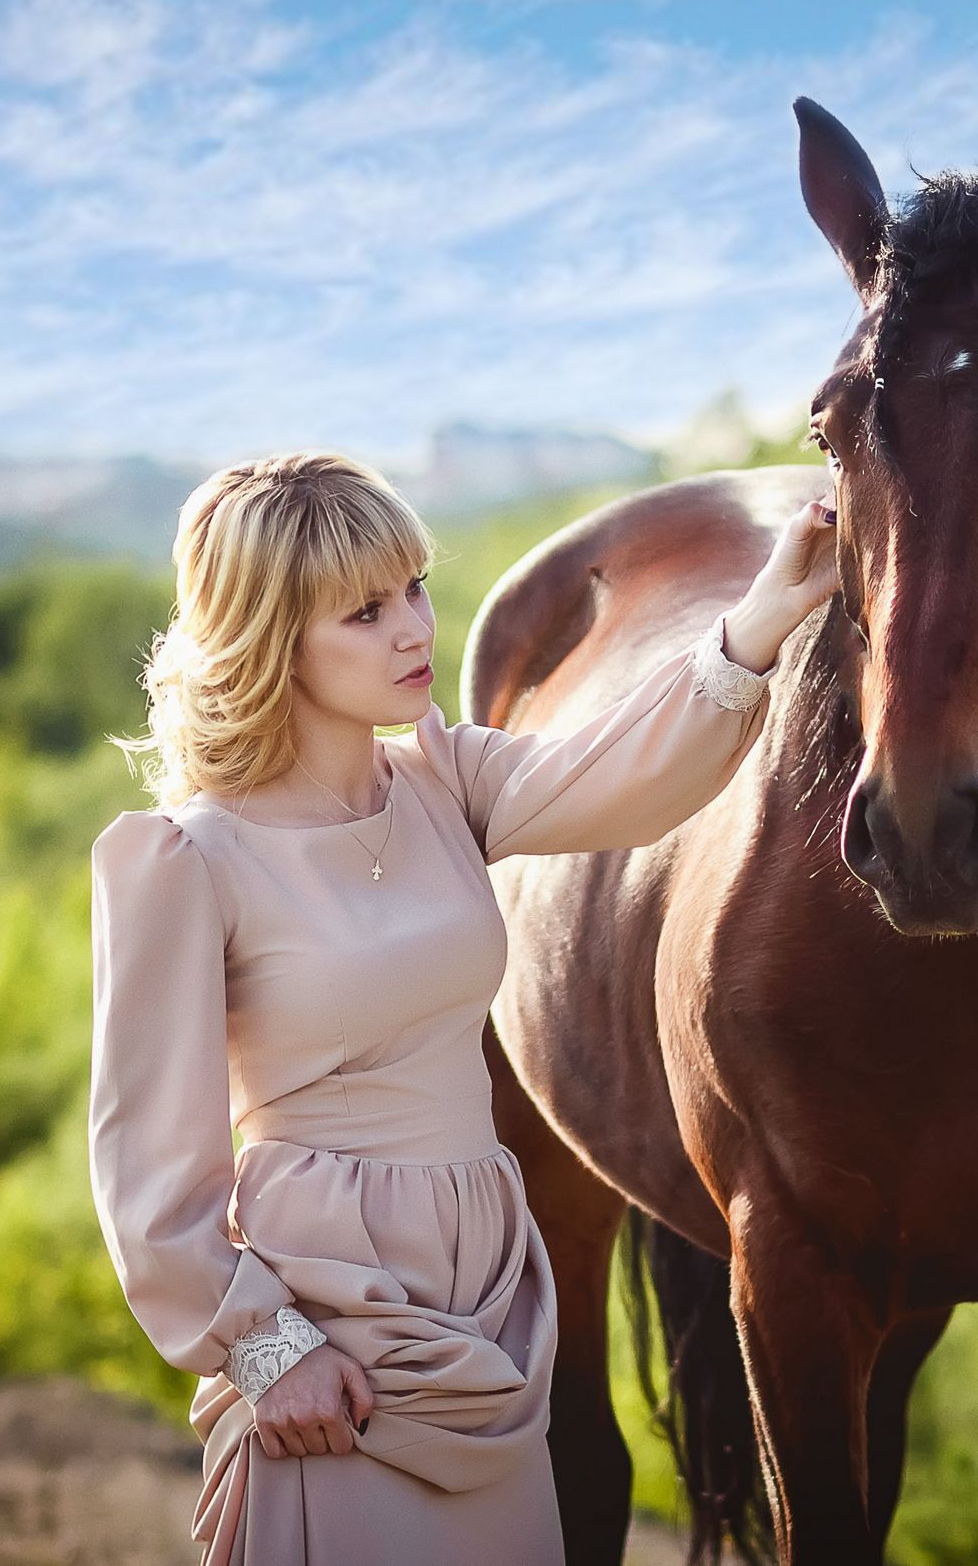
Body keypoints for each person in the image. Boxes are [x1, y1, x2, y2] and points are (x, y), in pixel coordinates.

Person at [89, 450, 838, 1564]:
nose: (412, 631)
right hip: (327, 1294)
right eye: (363, 611)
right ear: (269, 636)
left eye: (414, 590)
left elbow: (625, 768)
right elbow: (146, 1164)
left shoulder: (448, 782)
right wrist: (264, 1348)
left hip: (489, 1275)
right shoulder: (186, 858)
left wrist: (762, 618)